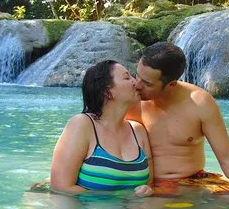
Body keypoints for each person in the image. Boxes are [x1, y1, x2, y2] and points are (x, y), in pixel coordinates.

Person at [126, 41, 229, 192]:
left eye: (147, 84)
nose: (137, 85)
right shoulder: (128, 99)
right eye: (137, 76)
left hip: (193, 182)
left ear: (171, 84)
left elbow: (227, 157)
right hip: (147, 186)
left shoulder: (199, 103)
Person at [50, 60, 153, 196]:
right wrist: (118, 197)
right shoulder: (82, 125)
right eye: (127, 78)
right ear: (107, 92)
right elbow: (60, 187)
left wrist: (147, 190)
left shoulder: (138, 131)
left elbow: (150, 183)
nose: (136, 82)